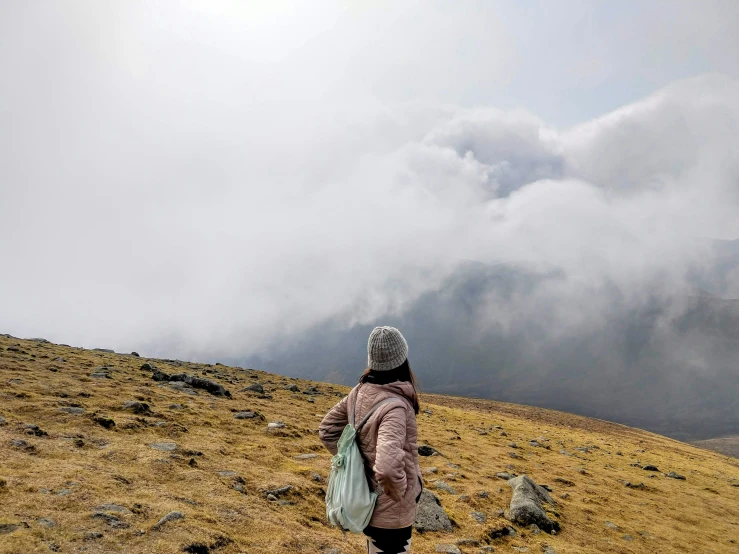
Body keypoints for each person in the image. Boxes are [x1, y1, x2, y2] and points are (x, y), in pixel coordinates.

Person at [319, 326, 422, 554]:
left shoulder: (359, 391)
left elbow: (327, 430)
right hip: (390, 513)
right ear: (401, 358)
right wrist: (398, 494)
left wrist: (356, 466)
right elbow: (385, 469)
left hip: (366, 500)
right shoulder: (394, 407)